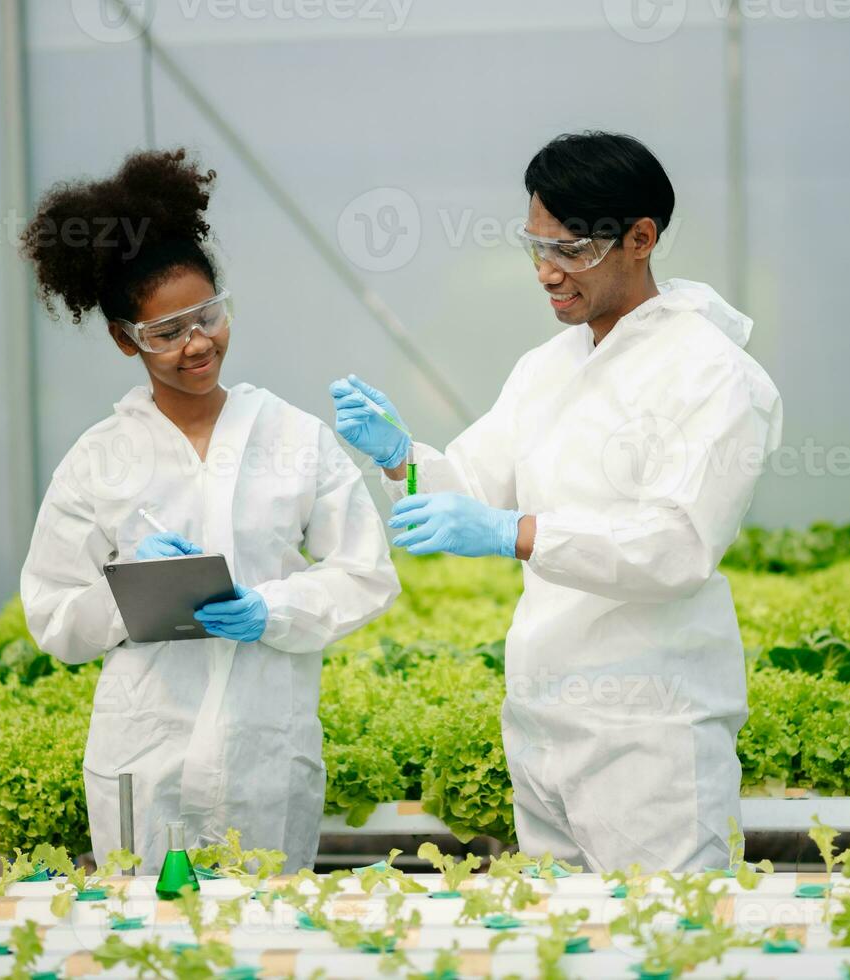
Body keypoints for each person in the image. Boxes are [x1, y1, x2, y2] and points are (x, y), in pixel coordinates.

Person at [332, 132, 782, 872]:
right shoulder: (548, 367)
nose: (546, 273)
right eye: (534, 247)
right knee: (564, 947)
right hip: (543, 724)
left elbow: (675, 549)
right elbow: (470, 491)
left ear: (641, 239)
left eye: (570, 252)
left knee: (664, 946)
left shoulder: (711, 375)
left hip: (650, 734)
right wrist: (401, 458)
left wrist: (516, 532)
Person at [19, 148, 399, 873]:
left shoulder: (291, 436)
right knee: (147, 944)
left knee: (267, 941)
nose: (197, 344)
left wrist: (274, 608)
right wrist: (125, 594)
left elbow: (366, 573)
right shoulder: (99, 459)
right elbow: (53, 615)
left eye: (208, 316)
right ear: (123, 339)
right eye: (166, 334)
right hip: (144, 752)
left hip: (267, 748)